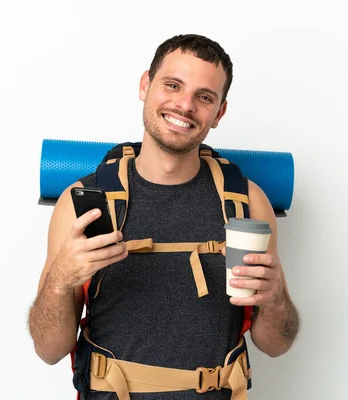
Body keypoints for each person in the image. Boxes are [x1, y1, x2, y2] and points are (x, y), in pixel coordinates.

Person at [28, 33, 300, 399]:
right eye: (173, 85)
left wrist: (275, 298)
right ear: (145, 85)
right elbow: (49, 350)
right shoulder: (85, 204)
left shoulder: (246, 202)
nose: (185, 105)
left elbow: (275, 345)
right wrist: (61, 279)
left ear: (218, 113)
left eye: (204, 97)